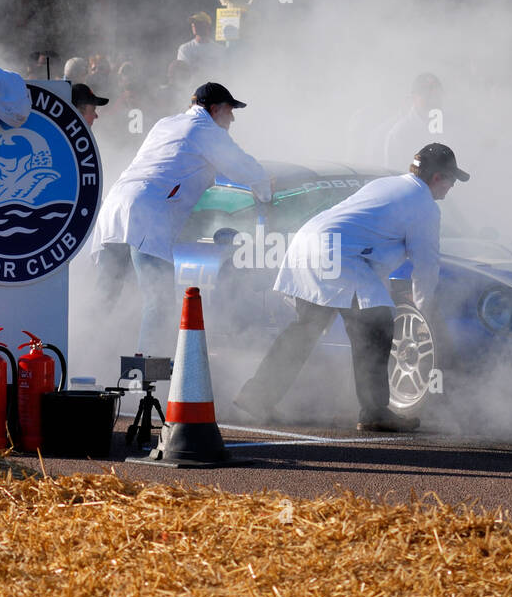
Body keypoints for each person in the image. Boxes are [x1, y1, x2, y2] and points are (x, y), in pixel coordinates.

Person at [235, 142, 468, 433]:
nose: (451, 188)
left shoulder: (388, 185)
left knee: (305, 328)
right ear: (437, 179)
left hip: (307, 242)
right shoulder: (424, 206)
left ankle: (256, 396)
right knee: (377, 325)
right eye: (451, 181)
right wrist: (424, 310)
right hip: (337, 253)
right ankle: (374, 412)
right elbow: (426, 265)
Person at [91, 81, 270, 355]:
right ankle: (146, 381)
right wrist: (266, 191)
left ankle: (84, 363)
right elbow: (243, 167)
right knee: (159, 302)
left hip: (114, 210)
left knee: (105, 301)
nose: (232, 118)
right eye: (229, 110)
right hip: (146, 214)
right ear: (213, 109)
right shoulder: (205, 129)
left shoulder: (167, 123)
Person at [383, 73, 443, 169]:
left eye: (436, 94)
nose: (432, 98)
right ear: (413, 97)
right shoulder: (399, 133)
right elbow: (394, 174)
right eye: (425, 93)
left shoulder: (453, 128)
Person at [176, 12, 225, 78]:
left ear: (207, 26)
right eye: (193, 23)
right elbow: (182, 72)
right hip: (192, 87)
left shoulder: (219, 49)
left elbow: (223, 72)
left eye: (198, 23)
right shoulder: (185, 48)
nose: (194, 25)